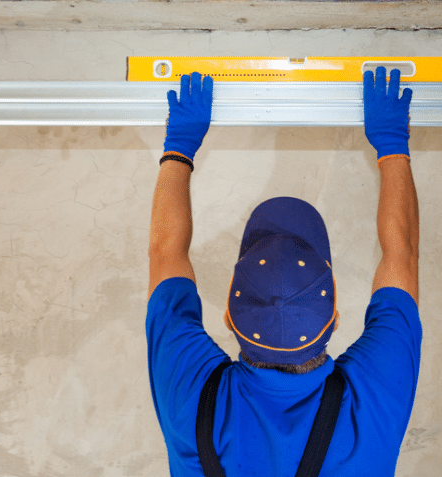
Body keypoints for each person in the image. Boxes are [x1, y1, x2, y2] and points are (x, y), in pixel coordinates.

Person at [146, 66, 422, 477]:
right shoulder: (372, 400)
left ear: (229, 319)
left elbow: (165, 254)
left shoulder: (195, 398)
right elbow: (402, 254)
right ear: (335, 318)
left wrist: (180, 144)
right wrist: (391, 142)